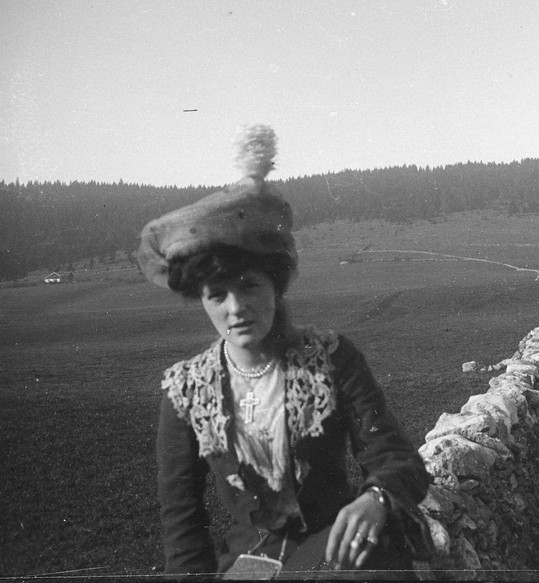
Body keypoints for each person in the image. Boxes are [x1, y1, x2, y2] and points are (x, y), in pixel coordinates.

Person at [137, 125, 431, 579]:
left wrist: (375, 499)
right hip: (246, 566)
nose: (237, 309)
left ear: (276, 285)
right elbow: (182, 522)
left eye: (250, 286)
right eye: (217, 295)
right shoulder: (185, 390)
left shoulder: (331, 359)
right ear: (202, 300)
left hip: (335, 553)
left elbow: (395, 457)